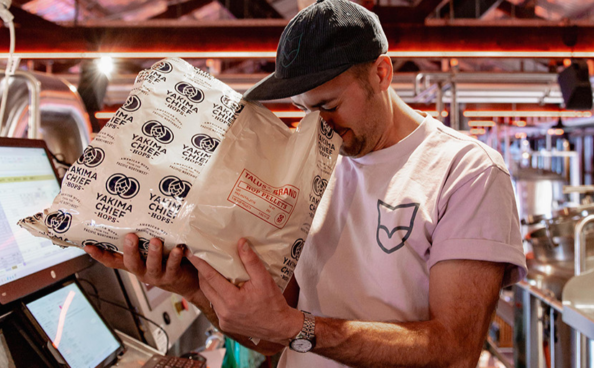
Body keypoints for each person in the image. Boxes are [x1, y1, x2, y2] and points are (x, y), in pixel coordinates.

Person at [85, 0, 527, 366]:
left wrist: (298, 327)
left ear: (381, 73)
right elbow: (270, 335)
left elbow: (454, 349)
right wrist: (190, 289)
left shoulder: (466, 170)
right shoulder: (310, 172)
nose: (320, 127)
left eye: (329, 105)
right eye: (304, 109)